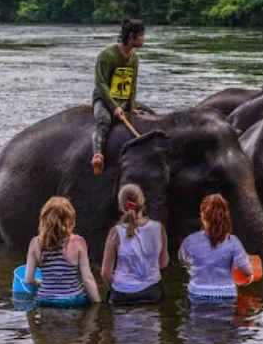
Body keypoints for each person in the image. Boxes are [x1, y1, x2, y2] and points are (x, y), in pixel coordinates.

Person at [91, 19, 146, 175]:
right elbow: (100, 84)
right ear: (131, 37)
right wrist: (113, 107)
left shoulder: (134, 58)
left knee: (147, 111)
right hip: (104, 99)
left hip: (123, 100)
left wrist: (132, 108)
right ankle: (97, 155)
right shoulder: (107, 56)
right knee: (104, 122)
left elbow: (132, 85)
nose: (143, 39)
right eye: (141, 35)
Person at [25, 197, 102, 307]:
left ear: (44, 218)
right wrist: (98, 304)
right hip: (72, 301)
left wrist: (41, 283)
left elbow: (28, 279)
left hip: (44, 301)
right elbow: (87, 279)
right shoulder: (79, 242)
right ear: (70, 219)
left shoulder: (35, 243)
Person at [101, 184, 169, 305]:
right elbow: (163, 264)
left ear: (121, 206)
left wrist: (119, 286)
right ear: (143, 202)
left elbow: (105, 273)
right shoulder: (159, 228)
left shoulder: (115, 231)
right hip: (152, 293)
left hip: (121, 295)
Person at [178, 194, 253, 299]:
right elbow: (247, 272)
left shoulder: (190, 240)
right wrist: (249, 265)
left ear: (203, 215)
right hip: (226, 294)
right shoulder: (233, 241)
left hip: (197, 293)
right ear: (225, 216)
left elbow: (183, 259)